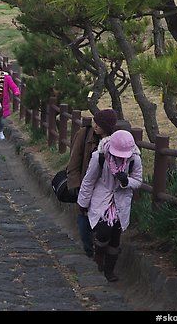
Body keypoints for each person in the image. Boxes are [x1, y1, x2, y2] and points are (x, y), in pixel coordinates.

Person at [77, 129, 142, 282]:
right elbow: (89, 180)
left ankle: (109, 270)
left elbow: (138, 181)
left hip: (121, 201)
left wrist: (126, 181)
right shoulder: (99, 156)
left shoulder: (134, 159)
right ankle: (99, 255)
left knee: (115, 237)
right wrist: (83, 203)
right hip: (102, 199)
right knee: (104, 231)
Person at [66, 109, 118, 258]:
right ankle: (89, 250)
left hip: (106, 187)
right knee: (83, 214)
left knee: (105, 218)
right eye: (95, 122)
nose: (95, 126)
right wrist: (75, 184)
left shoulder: (115, 140)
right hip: (86, 182)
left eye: (99, 124)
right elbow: (74, 161)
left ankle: (101, 251)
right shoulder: (84, 135)